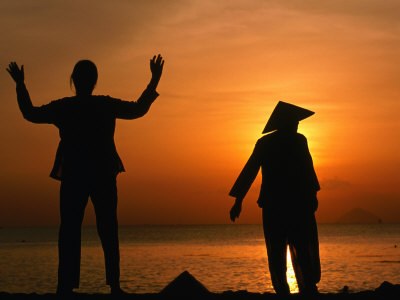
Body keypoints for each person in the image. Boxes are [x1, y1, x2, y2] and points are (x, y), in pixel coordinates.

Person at [6, 55, 164, 295]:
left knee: (71, 229)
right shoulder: (103, 104)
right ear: (94, 81)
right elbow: (137, 109)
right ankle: (113, 286)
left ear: (74, 80)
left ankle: (66, 287)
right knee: (107, 229)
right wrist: (154, 80)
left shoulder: (66, 107)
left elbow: (30, 113)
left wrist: (20, 84)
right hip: (100, 173)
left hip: (75, 174)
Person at [229, 101, 321, 295]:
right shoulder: (296, 141)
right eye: (295, 122)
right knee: (299, 247)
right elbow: (307, 170)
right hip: (293, 204)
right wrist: (312, 195)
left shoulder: (271, 143)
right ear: (286, 122)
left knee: (280, 249)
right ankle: (306, 288)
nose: (297, 125)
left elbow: (250, 170)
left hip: (278, 205)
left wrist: (238, 200)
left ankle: (288, 289)